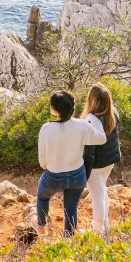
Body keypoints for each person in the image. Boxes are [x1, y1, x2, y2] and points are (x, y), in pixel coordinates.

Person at [34, 90, 107, 237]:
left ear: (54, 109)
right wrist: (95, 121)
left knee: (43, 197)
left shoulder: (46, 128)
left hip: (53, 176)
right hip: (77, 175)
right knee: (71, 207)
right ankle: (68, 238)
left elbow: (42, 159)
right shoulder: (83, 125)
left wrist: (46, 166)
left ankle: (41, 226)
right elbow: (102, 139)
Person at [81, 82, 121, 234]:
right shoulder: (113, 112)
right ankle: (103, 226)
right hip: (109, 162)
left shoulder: (91, 119)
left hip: (96, 165)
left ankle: (99, 232)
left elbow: (89, 151)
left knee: (97, 197)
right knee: (101, 191)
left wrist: (85, 172)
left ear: (92, 100)